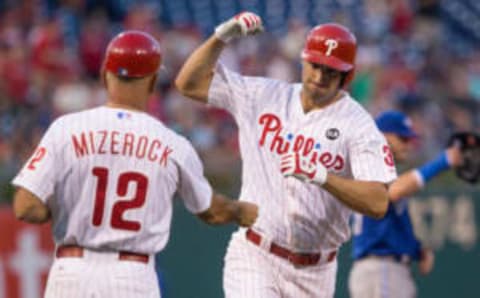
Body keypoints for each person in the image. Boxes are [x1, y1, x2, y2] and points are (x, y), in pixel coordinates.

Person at [11, 30, 258, 298]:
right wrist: (239, 211)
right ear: (152, 82)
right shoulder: (172, 143)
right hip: (131, 276)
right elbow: (210, 211)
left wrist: (68, 210)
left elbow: (25, 207)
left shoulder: (66, 129)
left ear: (106, 73)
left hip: (71, 272)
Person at [175, 12, 397, 298]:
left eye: (330, 70)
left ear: (347, 75)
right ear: (303, 60)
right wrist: (221, 38)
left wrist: (322, 176)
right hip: (255, 253)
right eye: (315, 65)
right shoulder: (262, 95)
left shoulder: (358, 124)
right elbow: (187, 84)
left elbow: (378, 202)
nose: (319, 76)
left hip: (316, 271)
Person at [349, 110, 463, 298]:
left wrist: (417, 250)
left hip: (385, 268)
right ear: (381, 136)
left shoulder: (386, 171)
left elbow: (392, 222)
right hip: (380, 268)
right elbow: (394, 192)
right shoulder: (370, 164)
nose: (409, 144)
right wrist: (444, 161)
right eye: (402, 138)